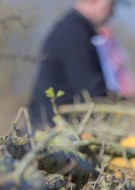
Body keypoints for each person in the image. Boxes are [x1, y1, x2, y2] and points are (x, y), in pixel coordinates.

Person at [28, 0, 118, 128]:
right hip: (54, 133)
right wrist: (129, 103)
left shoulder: (72, 28)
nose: (113, 12)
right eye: (111, 4)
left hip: (52, 127)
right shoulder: (74, 32)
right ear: (94, 2)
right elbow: (92, 94)